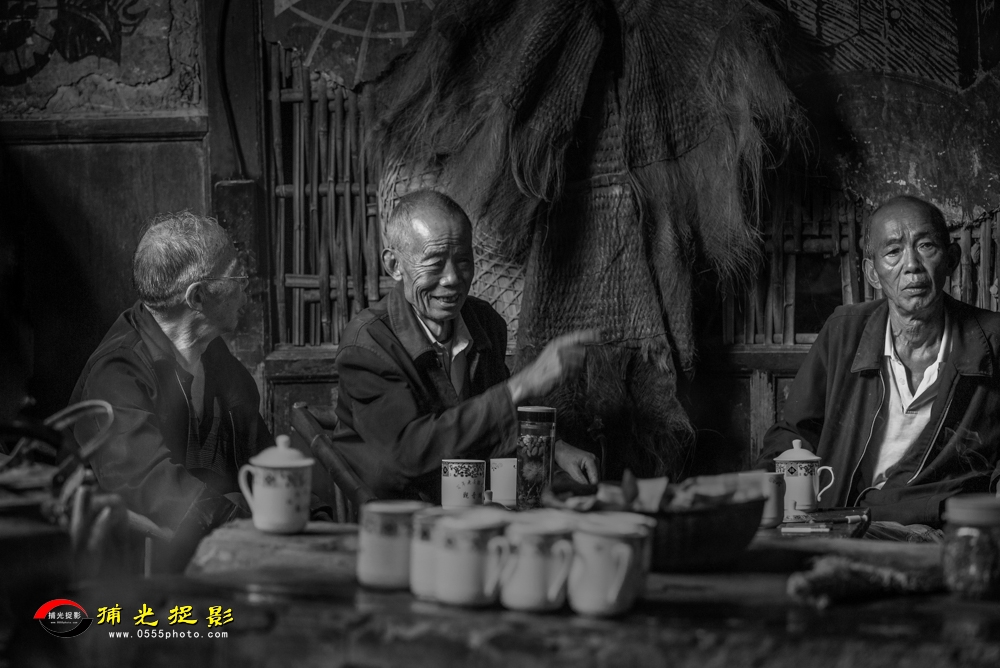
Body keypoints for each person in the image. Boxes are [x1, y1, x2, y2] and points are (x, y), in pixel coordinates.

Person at [757, 195, 1000, 542]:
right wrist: (766, 495)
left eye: (926, 246)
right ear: (873, 273)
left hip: (937, 527)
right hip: (842, 520)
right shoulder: (844, 332)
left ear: (951, 259)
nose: (912, 265)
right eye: (893, 252)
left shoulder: (991, 340)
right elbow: (795, 432)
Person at [332, 190, 600, 501]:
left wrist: (554, 449)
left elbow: (489, 424)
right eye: (435, 263)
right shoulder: (367, 344)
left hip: (472, 501)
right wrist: (519, 386)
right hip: (400, 511)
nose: (452, 278)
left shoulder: (484, 323)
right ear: (395, 265)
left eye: (463, 260)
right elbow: (407, 456)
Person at [70, 212, 270, 569]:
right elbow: (154, 487)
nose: (247, 287)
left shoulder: (215, 357)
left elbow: (263, 455)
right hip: (129, 573)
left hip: (210, 553)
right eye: (237, 276)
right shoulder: (118, 372)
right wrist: (253, 534)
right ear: (198, 297)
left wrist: (308, 518)